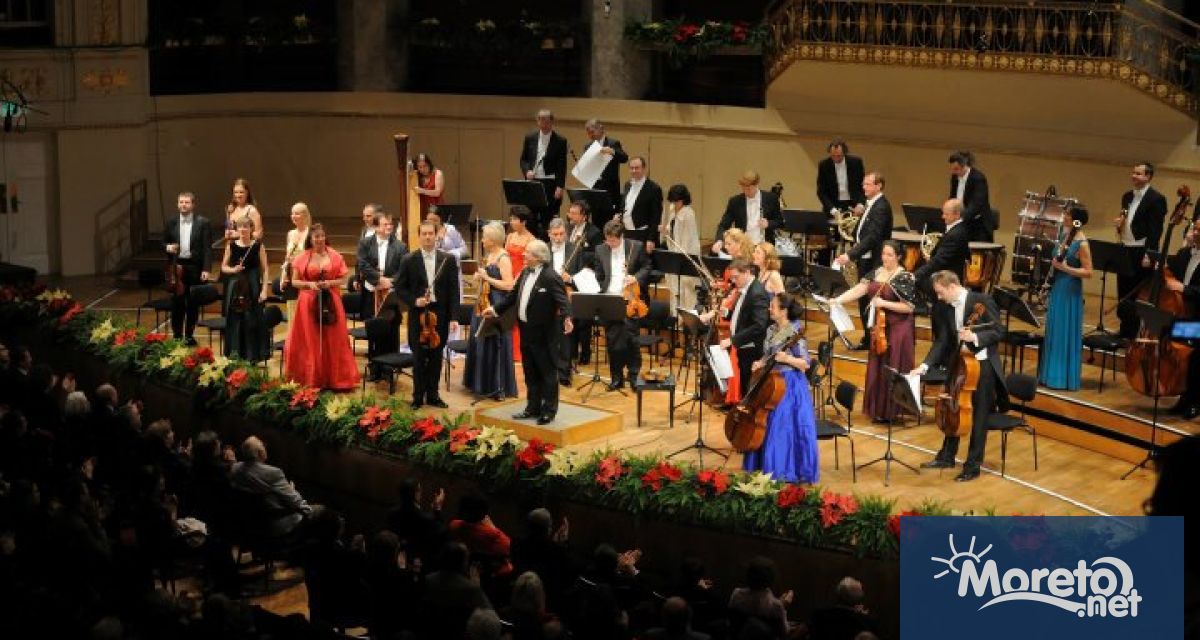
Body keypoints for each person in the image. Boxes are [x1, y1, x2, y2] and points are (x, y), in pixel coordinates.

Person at [910, 271, 1006, 482]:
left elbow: (999, 331)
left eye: (940, 292)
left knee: (979, 417)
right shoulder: (945, 307)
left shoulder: (982, 300)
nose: (938, 297)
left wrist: (975, 336)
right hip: (959, 364)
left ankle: (972, 466)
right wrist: (924, 366)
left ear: (952, 287)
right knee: (954, 408)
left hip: (982, 367)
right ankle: (947, 456)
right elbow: (943, 340)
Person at [484, 239, 573, 424]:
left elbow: (563, 300)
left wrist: (567, 318)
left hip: (544, 335)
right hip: (525, 331)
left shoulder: (550, 276)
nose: (524, 255)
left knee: (547, 373)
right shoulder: (525, 272)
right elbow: (512, 296)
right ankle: (532, 407)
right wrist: (495, 309)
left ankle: (549, 411)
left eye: (528, 253)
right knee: (530, 372)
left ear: (538, 257)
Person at [832, 241, 917, 423]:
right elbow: (860, 289)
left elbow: (909, 307)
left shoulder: (905, 277)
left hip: (899, 327)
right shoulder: (878, 271)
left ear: (899, 256)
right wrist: (838, 300)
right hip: (880, 326)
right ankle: (879, 410)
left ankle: (892, 411)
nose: (885, 258)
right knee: (878, 365)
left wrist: (883, 303)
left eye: (890, 255)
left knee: (892, 365)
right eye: (884, 254)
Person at [740, 293, 818, 483]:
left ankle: (781, 469)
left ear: (784, 311)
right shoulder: (772, 329)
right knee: (763, 422)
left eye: (773, 306)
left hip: (789, 385)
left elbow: (805, 364)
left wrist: (787, 359)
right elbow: (768, 354)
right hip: (770, 381)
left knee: (780, 427)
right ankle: (762, 465)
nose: (769, 309)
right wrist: (760, 362)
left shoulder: (794, 331)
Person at [284, 224, 361, 390]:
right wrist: (309, 284)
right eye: (316, 237)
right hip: (308, 302)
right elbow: (294, 282)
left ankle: (335, 379)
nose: (320, 239)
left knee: (333, 340)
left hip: (330, 301)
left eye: (322, 236)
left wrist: (329, 283)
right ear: (310, 239)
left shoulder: (335, 256)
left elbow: (343, 279)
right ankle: (313, 378)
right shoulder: (302, 257)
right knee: (310, 340)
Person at [398, 221, 461, 409]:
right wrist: (414, 301)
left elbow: (454, 291)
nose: (427, 237)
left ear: (436, 235)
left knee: (436, 356)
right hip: (418, 314)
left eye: (430, 234)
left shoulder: (447, 260)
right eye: (424, 234)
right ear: (419, 236)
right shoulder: (409, 260)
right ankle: (417, 396)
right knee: (418, 357)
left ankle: (433, 395)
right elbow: (400, 288)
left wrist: (454, 317)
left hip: (439, 313)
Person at [835, 172, 893, 347]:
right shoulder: (871, 204)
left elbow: (873, 237)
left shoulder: (881, 207)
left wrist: (850, 254)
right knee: (864, 300)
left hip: (875, 261)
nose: (864, 187)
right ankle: (868, 339)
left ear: (878, 186)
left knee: (869, 299)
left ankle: (874, 340)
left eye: (868, 184)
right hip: (866, 259)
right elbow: (862, 232)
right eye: (863, 184)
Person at [1038, 206, 1093, 391]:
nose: (1064, 216)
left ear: (1076, 219)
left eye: (1068, 214)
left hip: (1070, 289)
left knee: (1064, 330)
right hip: (1058, 286)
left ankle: (1061, 379)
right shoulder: (1065, 236)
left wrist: (1066, 269)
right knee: (1055, 329)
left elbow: (1089, 272)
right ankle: (1049, 376)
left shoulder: (1082, 243)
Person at [701, 260, 770, 403]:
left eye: (735, 277)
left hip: (751, 349)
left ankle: (745, 412)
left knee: (747, 385)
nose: (733, 281)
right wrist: (726, 313)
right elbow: (743, 315)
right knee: (743, 382)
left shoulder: (757, 293)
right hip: (744, 346)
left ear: (747, 273)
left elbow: (759, 325)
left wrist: (733, 340)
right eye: (732, 277)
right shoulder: (746, 288)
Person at [593, 221, 651, 390]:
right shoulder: (600, 250)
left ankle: (633, 377)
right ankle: (616, 378)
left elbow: (647, 267)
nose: (610, 243)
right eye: (607, 240)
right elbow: (599, 274)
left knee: (632, 340)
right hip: (610, 300)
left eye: (613, 240)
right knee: (613, 342)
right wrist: (600, 289)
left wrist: (636, 278)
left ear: (621, 236)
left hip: (630, 300)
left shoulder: (636, 247)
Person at [464, 221, 518, 399]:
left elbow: (509, 285)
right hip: (484, 302)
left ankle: (497, 386)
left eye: (484, 237)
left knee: (495, 343)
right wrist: (479, 277)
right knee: (481, 341)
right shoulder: (490, 255)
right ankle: (481, 384)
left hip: (496, 304)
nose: (482, 240)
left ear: (493, 240)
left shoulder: (503, 258)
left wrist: (487, 277)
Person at [1115, 162, 1168, 340]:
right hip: (1125, 248)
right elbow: (1126, 218)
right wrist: (1120, 224)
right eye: (1133, 173)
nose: (1134, 176)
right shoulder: (1127, 196)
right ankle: (1124, 330)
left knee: (1136, 293)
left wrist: (1149, 254)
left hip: (1141, 250)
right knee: (1123, 291)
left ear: (1148, 176)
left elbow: (1156, 231)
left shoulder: (1156, 199)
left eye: (1138, 173)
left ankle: (1134, 332)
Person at [228, 436, 312, 538]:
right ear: (260, 453)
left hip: (247, 523)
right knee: (322, 512)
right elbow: (296, 502)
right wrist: (293, 492)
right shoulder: (274, 473)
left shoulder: (235, 468)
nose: (265, 447)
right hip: (275, 525)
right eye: (263, 446)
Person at [359, 213, 409, 380]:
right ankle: (375, 369)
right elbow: (362, 264)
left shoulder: (400, 246)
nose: (389, 227)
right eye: (385, 224)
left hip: (390, 293)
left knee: (391, 329)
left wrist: (389, 281)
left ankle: (390, 369)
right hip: (371, 292)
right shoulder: (366, 243)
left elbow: (404, 269)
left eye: (390, 224)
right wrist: (378, 279)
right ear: (375, 227)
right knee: (374, 330)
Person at [163, 191, 212, 345]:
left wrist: (206, 269)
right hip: (177, 267)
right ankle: (177, 336)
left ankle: (189, 335)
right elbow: (163, 242)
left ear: (193, 205)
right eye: (181, 202)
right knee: (177, 303)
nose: (183, 205)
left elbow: (207, 248)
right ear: (178, 204)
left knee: (192, 303)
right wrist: (168, 247)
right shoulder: (171, 222)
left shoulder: (203, 223)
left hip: (194, 267)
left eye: (187, 202)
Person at [219, 217, 271, 362]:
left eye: (246, 227)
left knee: (252, 320)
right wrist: (233, 269)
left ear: (251, 229)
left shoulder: (258, 246)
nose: (243, 229)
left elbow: (265, 269)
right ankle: (235, 354)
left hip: (253, 286)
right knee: (236, 320)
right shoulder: (231, 246)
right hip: (236, 287)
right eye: (240, 227)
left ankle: (252, 355)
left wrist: (264, 290)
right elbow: (223, 267)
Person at [1166, 220, 1200, 418]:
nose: (1194, 233)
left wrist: (1184, 289)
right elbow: (1169, 269)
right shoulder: (1185, 253)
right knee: (1177, 349)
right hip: (1183, 315)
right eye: (1194, 229)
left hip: (1198, 320)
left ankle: (1195, 402)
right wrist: (1155, 263)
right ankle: (1183, 397)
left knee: (1195, 358)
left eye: (1198, 230)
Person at [548, 218, 587, 386]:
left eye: (561, 234)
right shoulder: (543, 250)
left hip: (566, 296)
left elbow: (583, 275)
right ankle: (549, 372)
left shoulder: (575, 250)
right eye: (555, 234)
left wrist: (570, 278)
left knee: (565, 336)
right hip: (547, 297)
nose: (558, 238)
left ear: (566, 233)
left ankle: (564, 374)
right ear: (549, 234)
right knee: (548, 336)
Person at [520, 109, 569, 236]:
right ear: (537, 122)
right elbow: (524, 159)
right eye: (541, 121)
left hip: (550, 183)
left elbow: (562, 166)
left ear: (552, 122)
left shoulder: (560, 141)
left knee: (548, 218)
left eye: (547, 122)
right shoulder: (530, 137)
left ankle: (546, 244)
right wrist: (527, 171)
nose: (544, 125)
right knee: (530, 217)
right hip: (533, 182)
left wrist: (560, 186)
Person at [712, 170, 783, 253]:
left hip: (765, 248)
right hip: (743, 249)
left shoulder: (771, 199)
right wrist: (719, 240)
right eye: (743, 188)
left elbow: (780, 222)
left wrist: (768, 223)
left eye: (749, 189)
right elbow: (723, 225)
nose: (746, 192)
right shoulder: (735, 202)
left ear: (756, 185)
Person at [661, 183, 701, 312]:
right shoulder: (672, 210)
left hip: (686, 255)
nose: (675, 203)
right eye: (673, 201)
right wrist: (665, 231)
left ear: (683, 200)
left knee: (687, 289)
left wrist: (680, 258)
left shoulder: (688, 214)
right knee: (675, 288)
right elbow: (671, 231)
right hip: (674, 253)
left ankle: (688, 316)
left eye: (677, 201)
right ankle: (675, 315)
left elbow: (688, 239)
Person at [506, 206, 537, 362]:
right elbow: (505, 256)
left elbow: (527, 264)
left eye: (515, 219)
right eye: (511, 219)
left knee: (518, 312)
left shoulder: (531, 240)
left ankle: (518, 352)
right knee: (508, 312)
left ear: (523, 221)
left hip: (521, 278)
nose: (511, 222)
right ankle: (508, 349)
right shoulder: (510, 236)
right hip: (508, 276)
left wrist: (516, 280)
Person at [583, 119, 629, 214]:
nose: (590, 135)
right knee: (596, 215)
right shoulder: (587, 146)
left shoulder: (613, 143)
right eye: (588, 133)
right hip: (595, 188)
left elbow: (624, 158)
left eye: (592, 132)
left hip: (610, 188)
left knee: (610, 216)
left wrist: (613, 151)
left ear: (601, 129)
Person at [947, 151, 993, 242]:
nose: (953, 172)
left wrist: (959, 218)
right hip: (961, 221)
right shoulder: (955, 177)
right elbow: (953, 197)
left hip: (977, 225)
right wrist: (949, 212)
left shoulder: (978, 178)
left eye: (956, 169)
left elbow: (976, 204)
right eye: (952, 169)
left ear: (965, 166)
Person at [620, 156, 663, 248]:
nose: (634, 171)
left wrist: (651, 239)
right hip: (627, 233)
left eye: (637, 168)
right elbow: (625, 207)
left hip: (643, 235)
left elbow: (656, 216)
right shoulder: (627, 185)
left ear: (644, 169)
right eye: (631, 168)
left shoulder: (653, 188)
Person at [816, 138, 866, 214]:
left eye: (839, 156)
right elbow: (821, 191)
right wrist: (832, 209)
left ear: (844, 153)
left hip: (854, 204)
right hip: (833, 205)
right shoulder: (824, 165)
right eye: (833, 156)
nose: (835, 158)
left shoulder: (856, 162)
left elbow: (863, 185)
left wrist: (861, 204)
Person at [280, 202, 311, 323]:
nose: (293, 216)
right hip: (291, 275)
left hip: (305, 276)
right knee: (292, 311)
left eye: (297, 213)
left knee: (305, 312)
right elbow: (287, 258)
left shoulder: (310, 234)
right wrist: (283, 276)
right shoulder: (290, 233)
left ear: (305, 215)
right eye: (292, 213)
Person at [224, 178, 263, 243]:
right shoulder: (231, 209)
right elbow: (228, 231)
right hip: (232, 247)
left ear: (247, 193)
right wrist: (228, 233)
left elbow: (259, 234)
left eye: (241, 192)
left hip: (246, 247)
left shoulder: (252, 210)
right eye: (236, 192)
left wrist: (239, 235)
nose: (238, 195)